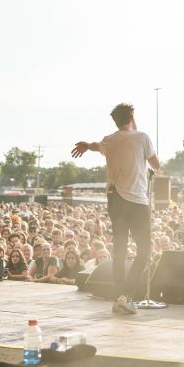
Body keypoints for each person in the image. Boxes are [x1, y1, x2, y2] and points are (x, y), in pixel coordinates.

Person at [73, 102, 160, 315]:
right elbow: (156, 165)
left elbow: (96, 145)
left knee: (119, 249)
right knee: (145, 250)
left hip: (114, 199)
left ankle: (119, 296)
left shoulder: (109, 141)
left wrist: (86, 144)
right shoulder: (142, 137)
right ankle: (126, 296)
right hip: (136, 202)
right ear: (132, 118)